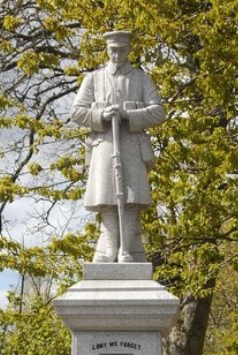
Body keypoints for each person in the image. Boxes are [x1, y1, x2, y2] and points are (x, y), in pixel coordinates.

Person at [70, 30, 166, 263]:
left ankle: (127, 249)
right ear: (107, 50)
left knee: (131, 197)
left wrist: (128, 114)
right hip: (104, 145)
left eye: (121, 50)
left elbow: (159, 112)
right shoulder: (94, 79)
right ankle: (110, 248)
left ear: (128, 51)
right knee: (106, 197)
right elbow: (76, 112)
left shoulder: (141, 79)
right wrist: (101, 114)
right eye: (113, 50)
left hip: (132, 146)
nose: (117, 55)